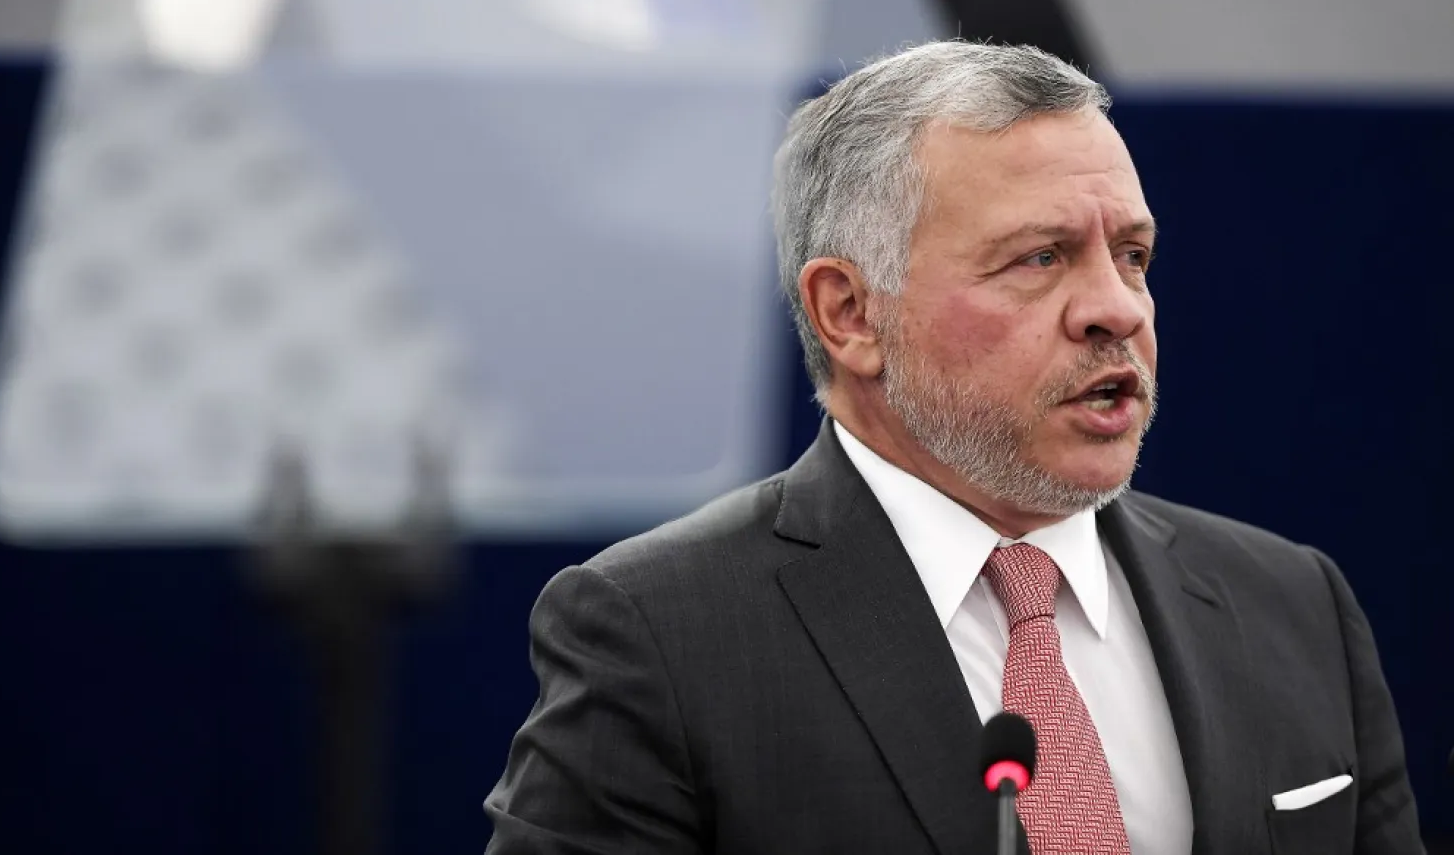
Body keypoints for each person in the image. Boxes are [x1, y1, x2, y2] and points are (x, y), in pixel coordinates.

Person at [483, 41, 1423, 855]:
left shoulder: (1294, 605)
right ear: (849, 313)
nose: (1118, 308)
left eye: (1132, 254)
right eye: (1041, 256)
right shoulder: (662, 633)